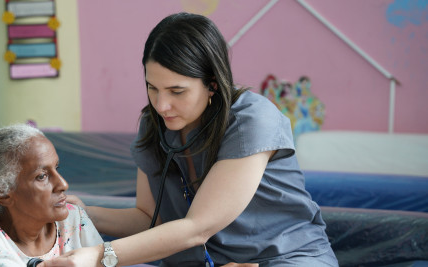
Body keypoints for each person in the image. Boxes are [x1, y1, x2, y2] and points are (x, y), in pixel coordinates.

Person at [40, 12, 338, 267]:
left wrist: (97, 257)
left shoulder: (252, 121)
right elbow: (148, 217)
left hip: (288, 257)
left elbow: (197, 228)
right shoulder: (154, 124)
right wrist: (82, 213)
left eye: (176, 91)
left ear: (212, 84)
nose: (161, 105)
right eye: (152, 88)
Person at [0, 124, 103, 266]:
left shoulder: (74, 218)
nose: (63, 184)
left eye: (57, 168)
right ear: (2, 193)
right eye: (42, 176)